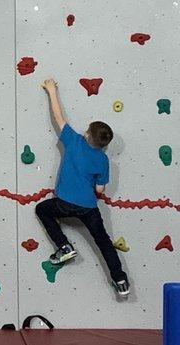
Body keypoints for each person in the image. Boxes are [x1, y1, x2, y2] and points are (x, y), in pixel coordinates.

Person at [36, 78, 129, 296]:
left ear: (87, 134)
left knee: (42, 210)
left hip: (64, 204)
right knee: (103, 241)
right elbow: (100, 191)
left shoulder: (74, 141)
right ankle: (121, 280)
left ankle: (64, 246)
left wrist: (51, 90)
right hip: (88, 208)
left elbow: (59, 117)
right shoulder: (103, 161)